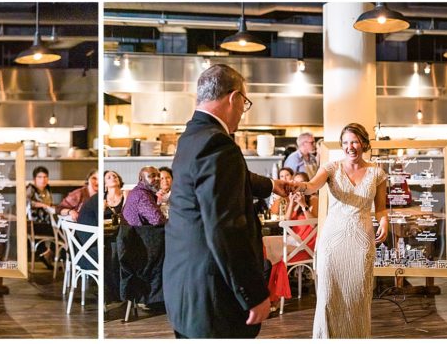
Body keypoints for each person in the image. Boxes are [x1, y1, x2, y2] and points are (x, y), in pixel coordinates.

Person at [164, 64, 293, 338]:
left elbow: (225, 180)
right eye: (244, 103)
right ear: (233, 98)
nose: (242, 114)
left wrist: (271, 185)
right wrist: (253, 293)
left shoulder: (191, 138)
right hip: (214, 295)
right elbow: (225, 228)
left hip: (186, 285)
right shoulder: (219, 145)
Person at [293, 123, 388, 338]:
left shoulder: (377, 173)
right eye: (345, 142)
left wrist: (384, 222)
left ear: (364, 143)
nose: (350, 147)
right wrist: (296, 186)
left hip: (361, 240)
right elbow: (311, 186)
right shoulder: (330, 168)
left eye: (354, 141)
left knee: (359, 296)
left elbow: (381, 208)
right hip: (332, 241)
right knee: (328, 296)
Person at [266, 172, 318, 308]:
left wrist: (302, 205)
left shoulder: (314, 200)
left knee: (270, 249)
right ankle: (269, 296)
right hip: (293, 242)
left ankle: (273, 298)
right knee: (266, 244)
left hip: (306, 245)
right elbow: (286, 221)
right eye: (294, 183)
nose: (296, 186)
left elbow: (314, 224)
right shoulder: (291, 201)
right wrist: (291, 202)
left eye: (300, 184)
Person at [27, 166, 56, 266]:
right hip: (34, 223)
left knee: (62, 229)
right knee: (60, 230)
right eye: (40, 177)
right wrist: (42, 205)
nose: (43, 180)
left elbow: (50, 204)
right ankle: (48, 254)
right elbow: (26, 202)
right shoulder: (31, 189)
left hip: (46, 222)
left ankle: (49, 253)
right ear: (34, 179)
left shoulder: (47, 189)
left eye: (45, 177)